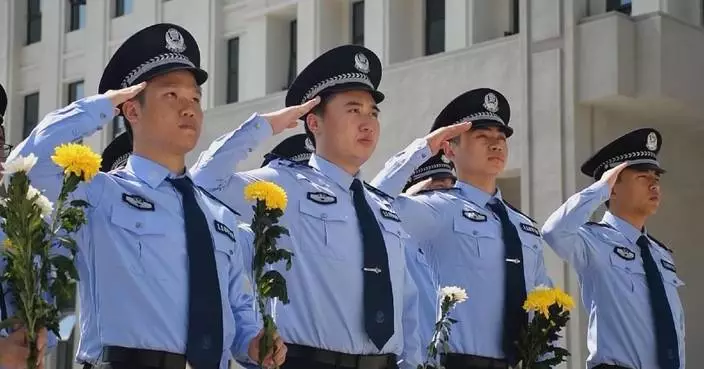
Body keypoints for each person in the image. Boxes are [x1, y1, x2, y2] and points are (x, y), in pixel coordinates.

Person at [7, 23, 288, 369]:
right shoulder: (100, 195)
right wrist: (103, 105)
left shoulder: (220, 217)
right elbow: (30, 166)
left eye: (195, 98)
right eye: (171, 95)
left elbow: (239, 313)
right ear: (132, 110)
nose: (189, 108)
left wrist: (255, 343)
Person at [190, 44, 455, 369]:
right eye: (353, 110)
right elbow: (204, 181)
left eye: (373, 112)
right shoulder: (284, 184)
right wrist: (265, 125)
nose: (368, 122)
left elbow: (406, 298)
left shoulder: (380, 207)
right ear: (313, 122)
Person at [371, 88, 552, 369]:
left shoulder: (524, 227)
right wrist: (423, 149)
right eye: (482, 136)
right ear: (450, 148)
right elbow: (374, 203)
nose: (495, 144)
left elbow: (544, 306)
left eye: (500, 137)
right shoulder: (438, 209)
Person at [541, 128, 685, 369]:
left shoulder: (660, 255)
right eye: (643, 178)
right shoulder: (593, 241)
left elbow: (675, 327)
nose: (654, 185)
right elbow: (553, 231)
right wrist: (599, 189)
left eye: (656, 178)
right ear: (613, 188)